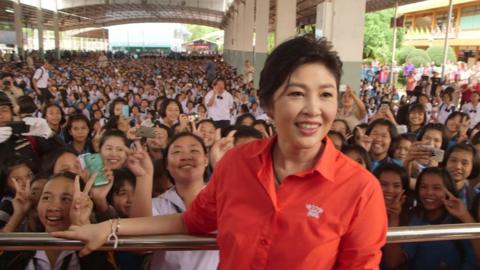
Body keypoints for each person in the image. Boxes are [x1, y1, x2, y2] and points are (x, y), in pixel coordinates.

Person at [52, 36, 387, 269]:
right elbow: (190, 221)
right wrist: (109, 227)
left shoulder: (359, 189)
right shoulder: (238, 165)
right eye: (297, 93)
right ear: (267, 103)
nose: (314, 110)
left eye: (326, 95)